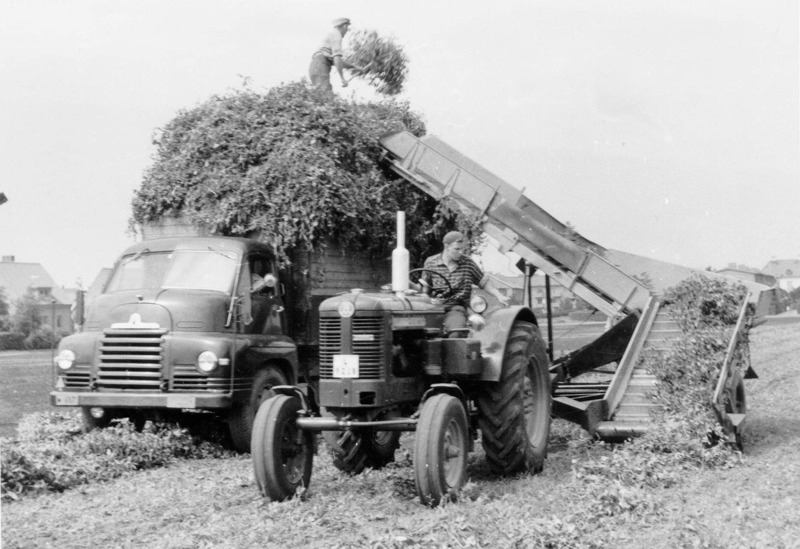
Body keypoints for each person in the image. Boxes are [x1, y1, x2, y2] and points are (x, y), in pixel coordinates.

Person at [415, 231, 510, 336]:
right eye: (457, 249)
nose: (461, 252)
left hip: (456, 308)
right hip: (434, 308)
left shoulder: (468, 263)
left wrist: (499, 295)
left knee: (455, 333)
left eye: (462, 249)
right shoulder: (431, 262)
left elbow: (483, 282)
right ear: (446, 247)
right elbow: (424, 287)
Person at [309, 17, 365, 91]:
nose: (347, 31)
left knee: (320, 94)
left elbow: (336, 61)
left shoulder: (332, 34)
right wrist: (342, 79)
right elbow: (337, 59)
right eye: (347, 28)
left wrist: (354, 66)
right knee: (326, 93)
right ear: (344, 26)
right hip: (320, 65)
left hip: (315, 66)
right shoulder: (336, 35)